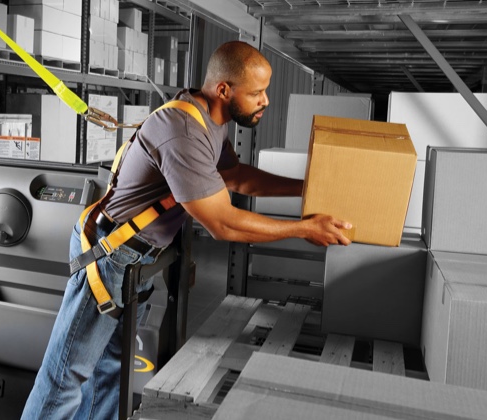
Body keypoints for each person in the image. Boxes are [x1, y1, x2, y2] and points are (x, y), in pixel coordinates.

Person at [21, 40, 351, 420]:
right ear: (224, 90)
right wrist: (303, 228)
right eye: (257, 92)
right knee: (66, 378)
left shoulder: (209, 122)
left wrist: (305, 188)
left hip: (135, 260)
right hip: (109, 256)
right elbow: (222, 222)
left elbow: (236, 178)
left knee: (110, 371)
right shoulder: (182, 131)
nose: (266, 101)